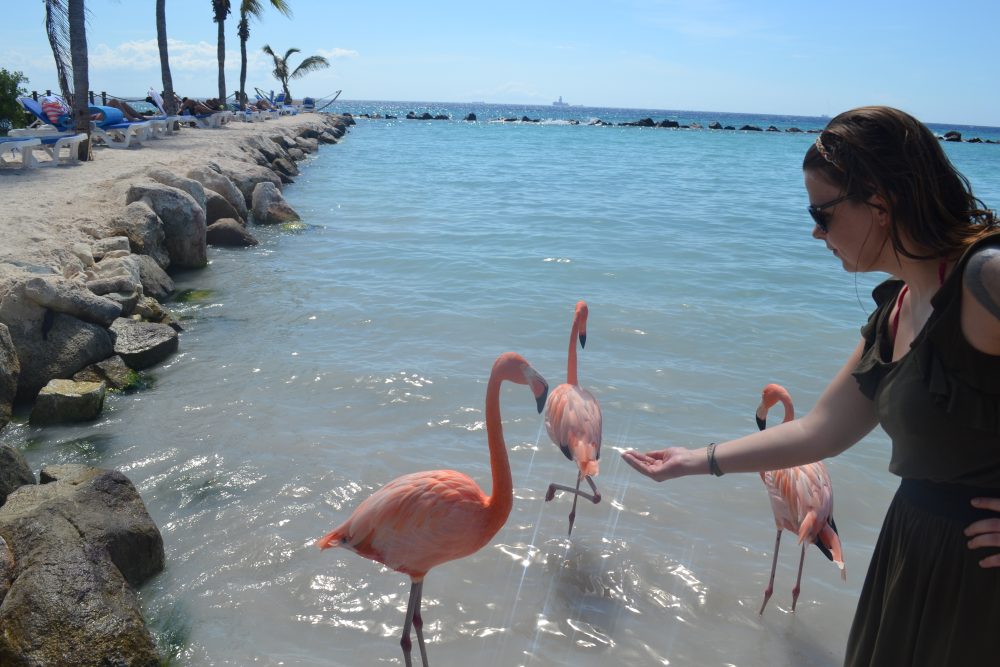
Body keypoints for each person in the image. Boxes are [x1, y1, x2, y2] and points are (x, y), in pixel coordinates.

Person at [622, 106, 1000, 666]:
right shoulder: (897, 310)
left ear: (880, 204)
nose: (816, 231)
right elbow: (820, 430)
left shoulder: (984, 278)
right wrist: (692, 461)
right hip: (912, 556)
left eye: (821, 213)